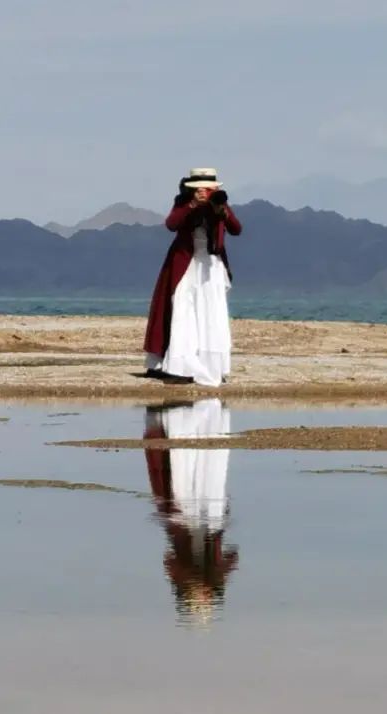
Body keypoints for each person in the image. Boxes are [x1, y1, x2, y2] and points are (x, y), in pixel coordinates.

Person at [143, 398, 238, 627]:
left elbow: (171, 561)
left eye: (199, 601)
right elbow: (232, 557)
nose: (202, 596)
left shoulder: (189, 572)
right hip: (202, 522)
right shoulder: (207, 573)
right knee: (190, 481)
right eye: (203, 600)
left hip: (190, 520)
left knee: (187, 482)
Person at [143, 168, 242, 386]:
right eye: (201, 189)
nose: (205, 192)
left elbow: (236, 229)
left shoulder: (220, 204)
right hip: (186, 264)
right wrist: (192, 205)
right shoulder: (183, 203)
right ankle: (181, 365)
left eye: (209, 188)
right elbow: (171, 224)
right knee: (183, 311)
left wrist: (222, 211)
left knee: (211, 313)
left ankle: (213, 365)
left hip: (211, 265)